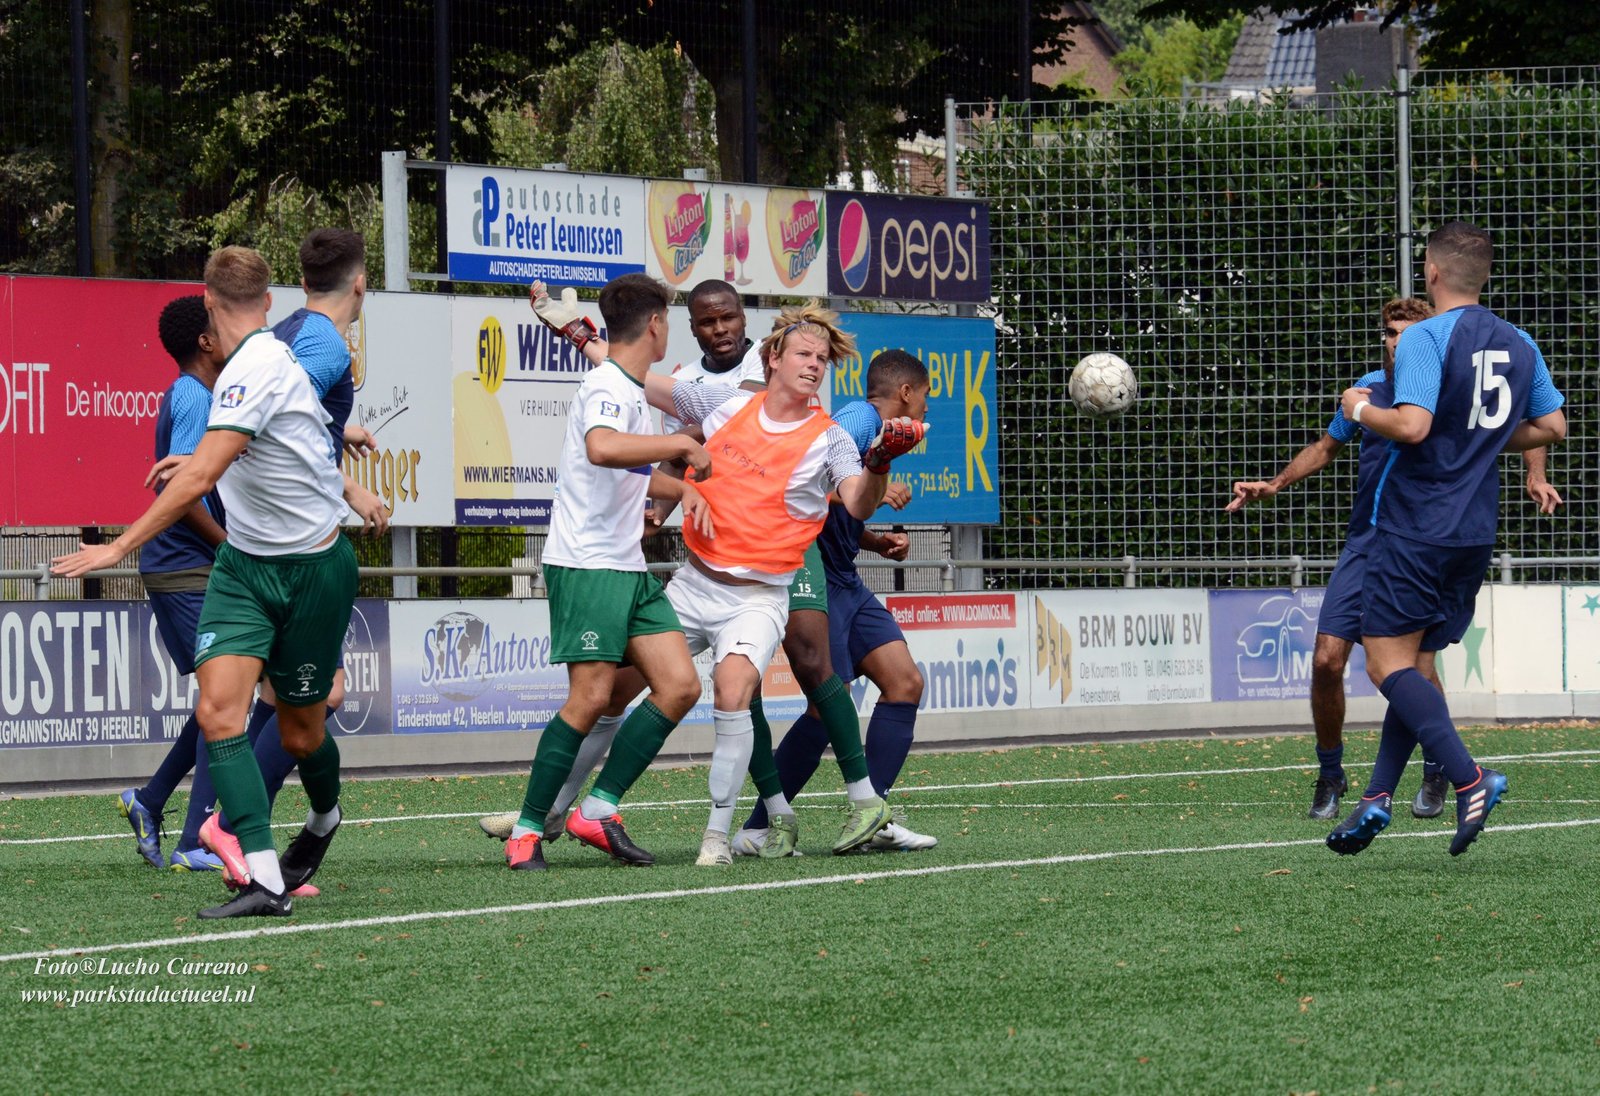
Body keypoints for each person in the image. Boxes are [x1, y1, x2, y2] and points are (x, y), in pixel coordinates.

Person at [480, 281, 907, 857]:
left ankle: (757, 824)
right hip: (696, 578)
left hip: (766, 581)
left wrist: (878, 462)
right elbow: (631, 373)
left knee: (775, 673)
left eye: (823, 359)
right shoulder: (721, 398)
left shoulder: (829, 435)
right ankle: (560, 809)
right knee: (611, 692)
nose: (815, 365)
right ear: (774, 357)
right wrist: (576, 332)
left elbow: (855, 501)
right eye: (804, 354)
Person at [55, 245, 362, 918]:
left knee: (304, 732)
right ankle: (264, 878)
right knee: (217, 712)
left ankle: (323, 818)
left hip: (313, 572)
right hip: (244, 569)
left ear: (208, 300)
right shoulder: (239, 371)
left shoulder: (256, 366)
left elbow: (201, 478)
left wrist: (118, 549)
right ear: (270, 303)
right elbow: (285, 436)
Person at [1226, 298, 1563, 821]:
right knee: (1326, 659)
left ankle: (1437, 772)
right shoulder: (1369, 389)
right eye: (1390, 332)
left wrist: (1535, 472)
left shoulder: (1451, 386)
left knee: (1414, 668)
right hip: (1368, 543)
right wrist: (1276, 484)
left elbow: (1521, 415)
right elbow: (1327, 445)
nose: (1397, 341)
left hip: (1422, 538)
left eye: (1410, 333)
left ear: (1431, 340)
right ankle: (1333, 773)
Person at [1323, 221, 1565, 857]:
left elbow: (1410, 426)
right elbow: (1552, 426)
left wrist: (1358, 408)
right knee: (1415, 661)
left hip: (1417, 525)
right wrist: (1479, 439)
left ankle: (1470, 777)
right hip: (1473, 533)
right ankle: (1376, 796)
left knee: (1384, 662)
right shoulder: (1518, 341)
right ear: (1483, 275)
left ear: (1431, 273)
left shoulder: (1427, 336)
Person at [500, 274, 711, 873]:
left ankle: (597, 808)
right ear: (655, 325)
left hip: (627, 566)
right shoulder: (606, 386)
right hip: (588, 565)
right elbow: (601, 448)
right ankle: (526, 831)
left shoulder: (629, 388)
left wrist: (681, 490)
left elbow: (630, 467)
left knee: (679, 686)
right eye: (669, 319)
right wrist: (681, 447)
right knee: (590, 698)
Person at [738, 349, 937, 853]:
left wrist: (872, 540)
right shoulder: (860, 417)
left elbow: (837, 505)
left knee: (905, 682)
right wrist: (873, 485)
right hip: (817, 576)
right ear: (907, 393)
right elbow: (804, 476)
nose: (925, 414)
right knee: (827, 707)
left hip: (845, 575)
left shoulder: (875, 433)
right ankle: (758, 827)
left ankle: (876, 818)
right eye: (925, 400)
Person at [116, 295, 229, 872]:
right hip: (185, 567)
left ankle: (150, 800)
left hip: (189, 566)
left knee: (222, 697)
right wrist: (226, 544)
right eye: (222, 322)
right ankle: (192, 841)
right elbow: (182, 491)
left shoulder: (205, 395)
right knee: (222, 698)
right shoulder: (192, 395)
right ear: (206, 343)